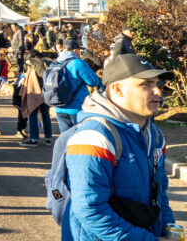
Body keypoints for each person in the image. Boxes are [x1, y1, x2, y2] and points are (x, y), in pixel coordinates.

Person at [62, 54, 175, 239]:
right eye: (145, 84)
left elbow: (160, 194)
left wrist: (169, 230)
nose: (158, 92)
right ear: (118, 89)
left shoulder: (154, 134)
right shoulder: (94, 136)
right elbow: (90, 210)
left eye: (157, 84)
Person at [54, 39, 103, 133]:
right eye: (80, 51)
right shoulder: (78, 63)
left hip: (59, 105)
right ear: (74, 50)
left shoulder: (55, 63)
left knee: (65, 138)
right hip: (76, 106)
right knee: (78, 137)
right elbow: (94, 81)